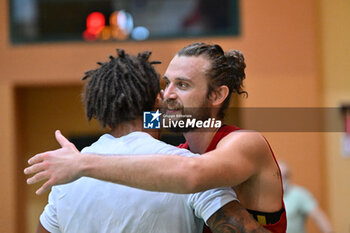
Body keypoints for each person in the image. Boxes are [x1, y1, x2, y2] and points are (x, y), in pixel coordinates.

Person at [25, 42, 286, 232]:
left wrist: (82, 163)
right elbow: (136, 120)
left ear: (217, 95)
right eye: (165, 84)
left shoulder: (244, 142)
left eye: (182, 85)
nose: (168, 94)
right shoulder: (177, 148)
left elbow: (192, 173)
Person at [279, 161, 333, 233]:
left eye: (285, 176)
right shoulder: (265, 197)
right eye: (279, 175)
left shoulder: (299, 195)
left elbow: (319, 217)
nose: (283, 180)